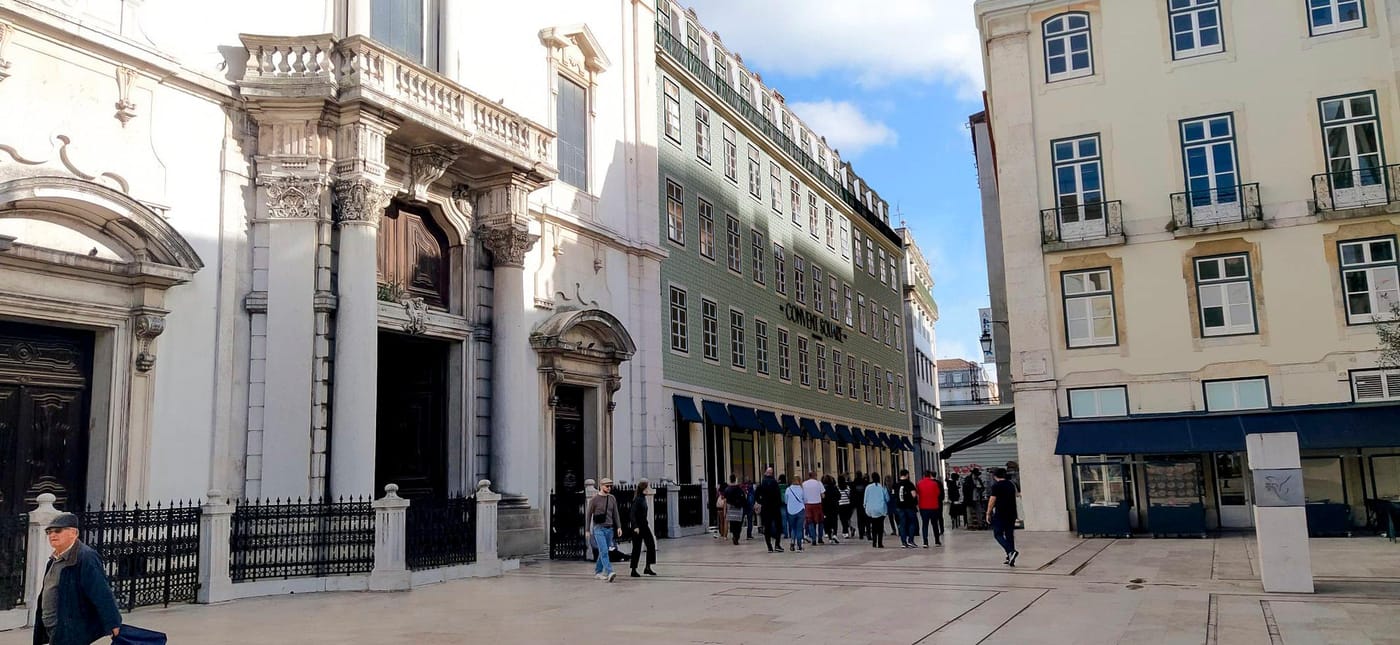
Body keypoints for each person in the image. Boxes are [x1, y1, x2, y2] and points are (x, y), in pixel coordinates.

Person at [32, 512, 121, 645]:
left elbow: (101, 592)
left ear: (74, 533)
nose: (52, 535)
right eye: (49, 532)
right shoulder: (54, 560)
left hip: (70, 628)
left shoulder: (85, 557)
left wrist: (113, 623)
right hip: (53, 627)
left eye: (58, 530)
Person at [586, 478, 622, 582]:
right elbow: (588, 515)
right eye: (607, 486)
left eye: (610, 486)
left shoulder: (612, 498)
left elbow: (616, 513)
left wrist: (619, 527)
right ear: (601, 486)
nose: (609, 488)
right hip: (598, 528)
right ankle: (609, 571)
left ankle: (598, 571)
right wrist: (588, 529)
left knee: (603, 551)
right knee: (604, 550)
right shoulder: (594, 499)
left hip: (609, 528)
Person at [986, 468, 1020, 566]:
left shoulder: (996, 486)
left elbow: (992, 499)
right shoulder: (1010, 484)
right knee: (1009, 534)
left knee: (998, 534)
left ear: (994, 476)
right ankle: (1010, 557)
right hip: (1012, 513)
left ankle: (1010, 551)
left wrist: (988, 513)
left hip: (1001, 513)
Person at [629, 479, 658, 577]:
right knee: (636, 548)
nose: (648, 489)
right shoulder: (637, 499)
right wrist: (635, 526)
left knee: (651, 545)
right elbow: (632, 514)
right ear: (643, 489)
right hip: (638, 527)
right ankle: (633, 569)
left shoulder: (643, 498)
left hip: (644, 525)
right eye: (647, 487)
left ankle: (648, 567)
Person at [757, 467, 784, 553]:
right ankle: (777, 544)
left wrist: (761, 502)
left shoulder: (762, 483)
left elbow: (757, 494)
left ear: (765, 473)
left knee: (767, 527)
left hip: (766, 508)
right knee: (778, 526)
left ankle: (769, 547)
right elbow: (778, 495)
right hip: (775, 508)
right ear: (772, 473)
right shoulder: (775, 483)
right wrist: (779, 504)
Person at [892, 469, 920, 548]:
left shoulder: (896, 484)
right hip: (909, 506)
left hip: (900, 507)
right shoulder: (909, 484)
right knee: (912, 523)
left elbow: (894, 495)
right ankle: (910, 540)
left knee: (902, 524)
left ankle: (903, 542)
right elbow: (914, 494)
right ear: (907, 475)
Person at [917, 470, 944, 547]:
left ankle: (925, 542)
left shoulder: (919, 483)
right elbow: (938, 493)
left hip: (923, 507)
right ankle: (937, 541)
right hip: (934, 506)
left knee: (925, 524)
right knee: (935, 524)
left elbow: (918, 493)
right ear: (930, 475)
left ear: (923, 475)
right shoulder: (934, 484)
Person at [863, 472, 888, 548]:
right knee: (880, 526)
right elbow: (887, 498)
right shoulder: (882, 487)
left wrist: (865, 506)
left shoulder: (868, 487)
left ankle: (874, 542)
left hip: (871, 509)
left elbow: (865, 499)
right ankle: (880, 543)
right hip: (880, 509)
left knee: (873, 526)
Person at [783, 475, 807, 551]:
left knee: (793, 528)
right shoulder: (802, 489)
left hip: (791, 511)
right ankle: (799, 546)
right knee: (799, 529)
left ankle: (792, 543)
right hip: (800, 510)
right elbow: (805, 500)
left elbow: (786, 501)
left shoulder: (788, 489)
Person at [801, 472, 825, 546]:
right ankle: (820, 538)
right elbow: (823, 495)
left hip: (808, 504)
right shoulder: (819, 483)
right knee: (820, 521)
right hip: (817, 504)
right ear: (815, 476)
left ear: (808, 476)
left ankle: (813, 539)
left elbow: (802, 495)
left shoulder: (804, 484)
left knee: (810, 522)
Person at [723, 476, 748, 546]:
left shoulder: (727, 489)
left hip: (731, 510)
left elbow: (725, 500)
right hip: (739, 510)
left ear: (730, 480)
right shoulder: (739, 489)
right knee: (739, 525)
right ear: (735, 480)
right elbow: (744, 500)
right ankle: (736, 537)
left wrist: (725, 511)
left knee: (733, 524)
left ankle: (734, 536)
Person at [821, 475, 841, 544]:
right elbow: (839, 496)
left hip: (826, 507)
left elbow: (822, 498)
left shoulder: (823, 488)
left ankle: (829, 537)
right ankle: (834, 534)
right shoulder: (834, 487)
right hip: (834, 506)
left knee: (827, 521)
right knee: (834, 520)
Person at [851, 472, 868, 540]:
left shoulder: (854, 483)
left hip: (857, 503)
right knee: (865, 518)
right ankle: (866, 532)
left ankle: (861, 533)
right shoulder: (865, 483)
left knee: (859, 519)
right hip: (864, 503)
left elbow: (852, 494)